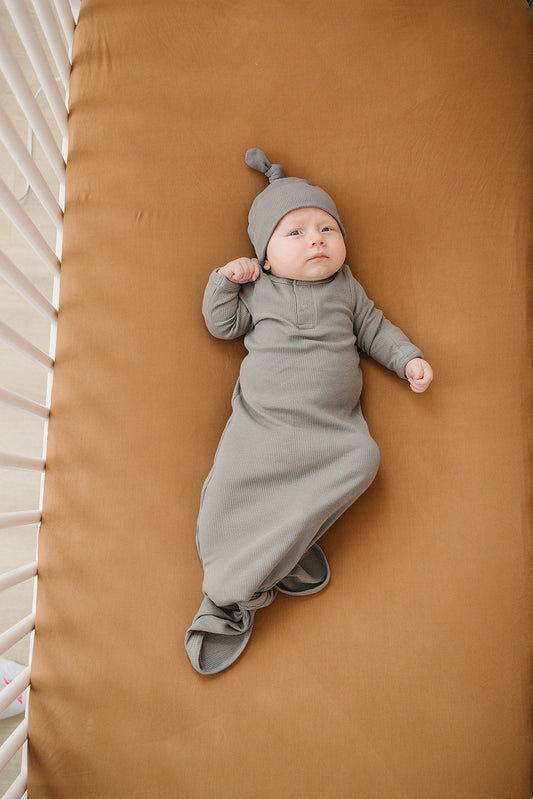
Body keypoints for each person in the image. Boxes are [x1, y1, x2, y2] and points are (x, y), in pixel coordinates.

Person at [185, 148, 433, 675]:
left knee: (364, 460)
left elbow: (377, 331)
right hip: (263, 424)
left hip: (330, 430)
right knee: (229, 488)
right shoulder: (259, 288)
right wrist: (226, 280)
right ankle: (232, 582)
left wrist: (408, 359)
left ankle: (272, 562)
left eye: (327, 229)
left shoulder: (347, 289)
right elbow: (221, 325)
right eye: (295, 232)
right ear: (266, 256)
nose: (316, 240)